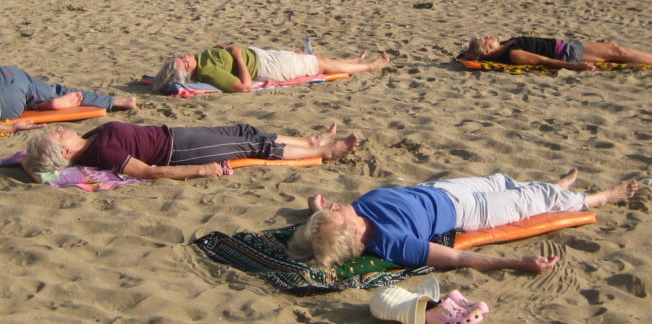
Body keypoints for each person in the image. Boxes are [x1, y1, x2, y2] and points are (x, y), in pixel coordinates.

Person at [287, 169, 639, 274]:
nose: (337, 205)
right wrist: (517, 261)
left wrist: (315, 210)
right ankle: (600, 197)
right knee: (531, 202)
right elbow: (457, 258)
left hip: (440, 189)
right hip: (470, 213)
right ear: (353, 232)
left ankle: (555, 189)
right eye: (336, 212)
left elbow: (325, 232)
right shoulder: (394, 242)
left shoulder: (356, 215)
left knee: (504, 181)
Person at [24, 121, 359, 179]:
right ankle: (325, 153)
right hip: (180, 151)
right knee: (251, 146)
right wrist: (201, 170)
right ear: (66, 153)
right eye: (57, 135)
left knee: (244, 131)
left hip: (177, 136)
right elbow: (150, 172)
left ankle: (310, 142)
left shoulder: (91, 137)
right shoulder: (103, 152)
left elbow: (27, 164)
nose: (59, 129)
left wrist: (30, 160)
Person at [152, 45, 390, 93]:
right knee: (320, 64)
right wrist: (236, 55)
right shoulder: (207, 72)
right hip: (268, 66)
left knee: (317, 58)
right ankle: (370, 67)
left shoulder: (202, 60)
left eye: (180, 57)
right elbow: (245, 86)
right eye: (182, 62)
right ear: (186, 71)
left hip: (262, 56)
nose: (184, 56)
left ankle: (351, 60)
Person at [0, 66, 137, 134]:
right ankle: (121, 102)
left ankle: (37, 104)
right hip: (12, 75)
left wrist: (11, 127)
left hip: (9, 105)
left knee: (19, 104)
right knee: (60, 92)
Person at [464, 36, 652, 71]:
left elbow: (466, 54)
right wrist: (576, 66)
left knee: (612, 48)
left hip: (568, 46)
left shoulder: (506, 44)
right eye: (484, 40)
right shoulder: (514, 54)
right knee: (617, 51)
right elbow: (544, 61)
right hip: (568, 54)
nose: (487, 36)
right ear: (488, 52)